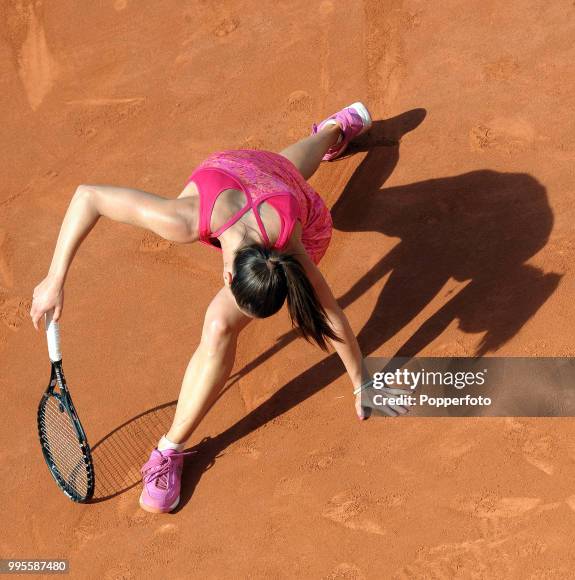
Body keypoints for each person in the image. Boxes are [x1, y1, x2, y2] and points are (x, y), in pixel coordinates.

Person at [30, 102, 407, 514]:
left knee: (284, 174)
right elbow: (88, 197)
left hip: (262, 176)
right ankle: (335, 129)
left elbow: (329, 310)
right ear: (230, 280)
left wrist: (362, 381)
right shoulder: (183, 219)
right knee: (280, 176)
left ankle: (336, 127)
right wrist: (54, 278)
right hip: (244, 172)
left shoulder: (291, 240)